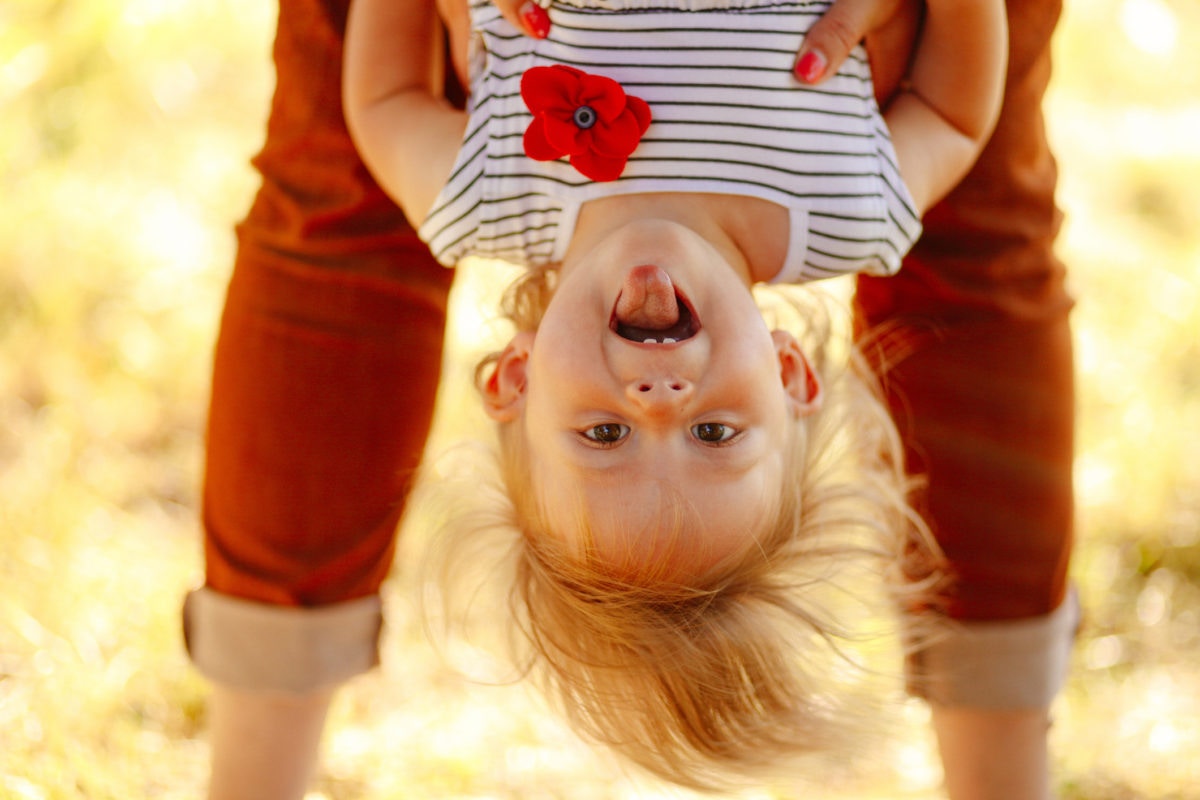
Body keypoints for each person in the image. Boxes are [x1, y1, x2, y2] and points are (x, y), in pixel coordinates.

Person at [183, 0, 1075, 798]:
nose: (658, 398)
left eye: (603, 433)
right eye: (717, 431)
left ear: (515, 378)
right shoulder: (847, 209)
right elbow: (960, 120)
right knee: (983, 235)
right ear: (791, 373)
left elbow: (377, 107)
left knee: (335, 210)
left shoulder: (481, 193)